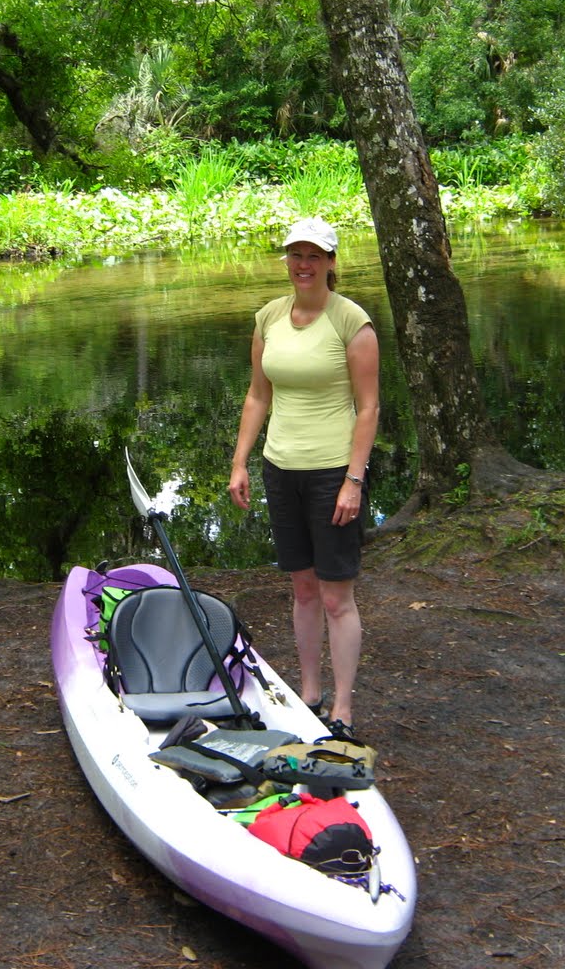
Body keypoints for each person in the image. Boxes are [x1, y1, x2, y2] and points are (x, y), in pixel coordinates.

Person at [228, 217, 378, 741]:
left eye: (315, 255)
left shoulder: (351, 322)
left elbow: (368, 407)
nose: (304, 264)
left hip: (333, 472)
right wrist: (240, 461)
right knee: (304, 589)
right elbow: (258, 395)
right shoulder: (268, 317)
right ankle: (309, 694)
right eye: (296, 254)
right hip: (281, 468)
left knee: (337, 596)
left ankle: (342, 707)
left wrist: (354, 480)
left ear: (331, 262)